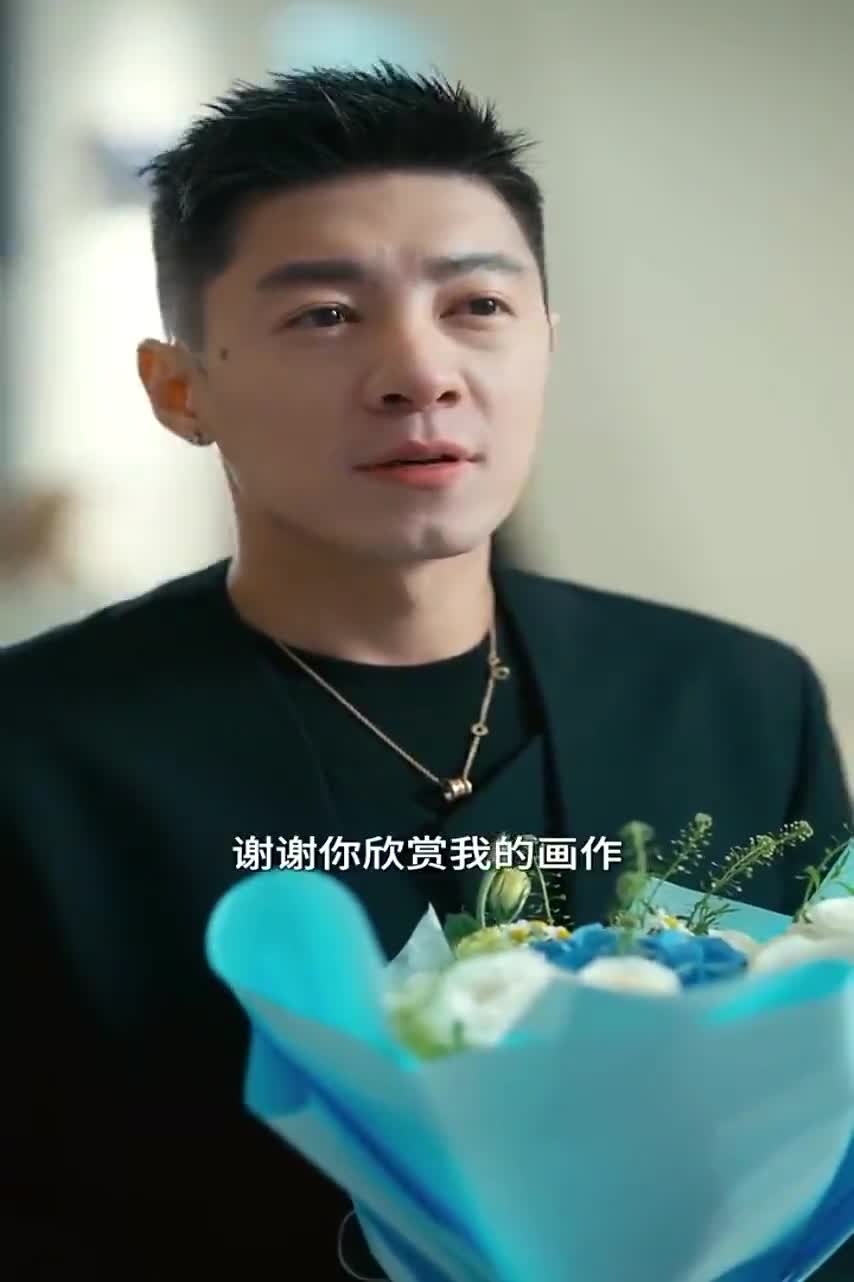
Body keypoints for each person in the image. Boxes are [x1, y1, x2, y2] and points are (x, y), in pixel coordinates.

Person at [2, 65, 851, 1280]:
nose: (420, 372)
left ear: (544, 347)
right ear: (180, 388)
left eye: (477, 306)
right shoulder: (39, 754)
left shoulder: (733, 701)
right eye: (325, 315)